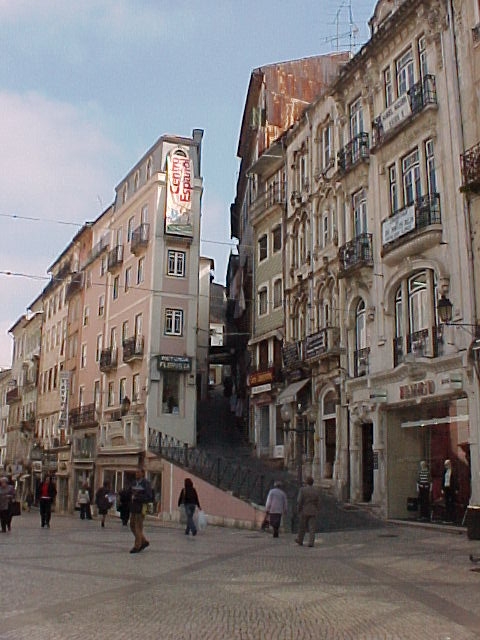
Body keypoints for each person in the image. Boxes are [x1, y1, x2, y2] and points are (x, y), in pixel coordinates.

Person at [129, 468, 153, 553]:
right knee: (132, 525)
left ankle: (137, 546)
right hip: (134, 507)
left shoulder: (146, 483)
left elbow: (149, 496)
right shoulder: (134, 482)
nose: (136, 474)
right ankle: (144, 541)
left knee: (138, 526)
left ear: (143, 473)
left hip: (142, 507)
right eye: (136, 472)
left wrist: (137, 497)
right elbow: (130, 492)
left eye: (138, 472)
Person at [295, 476, 321, 547]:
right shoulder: (316, 491)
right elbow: (318, 502)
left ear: (306, 482)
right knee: (312, 528)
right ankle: (311, 542)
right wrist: (318, 509)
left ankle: (300, 540)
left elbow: (299, 501)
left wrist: (298, 509)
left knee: (302, 526)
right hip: (313, 510)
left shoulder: (302, 490)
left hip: (304, 510)